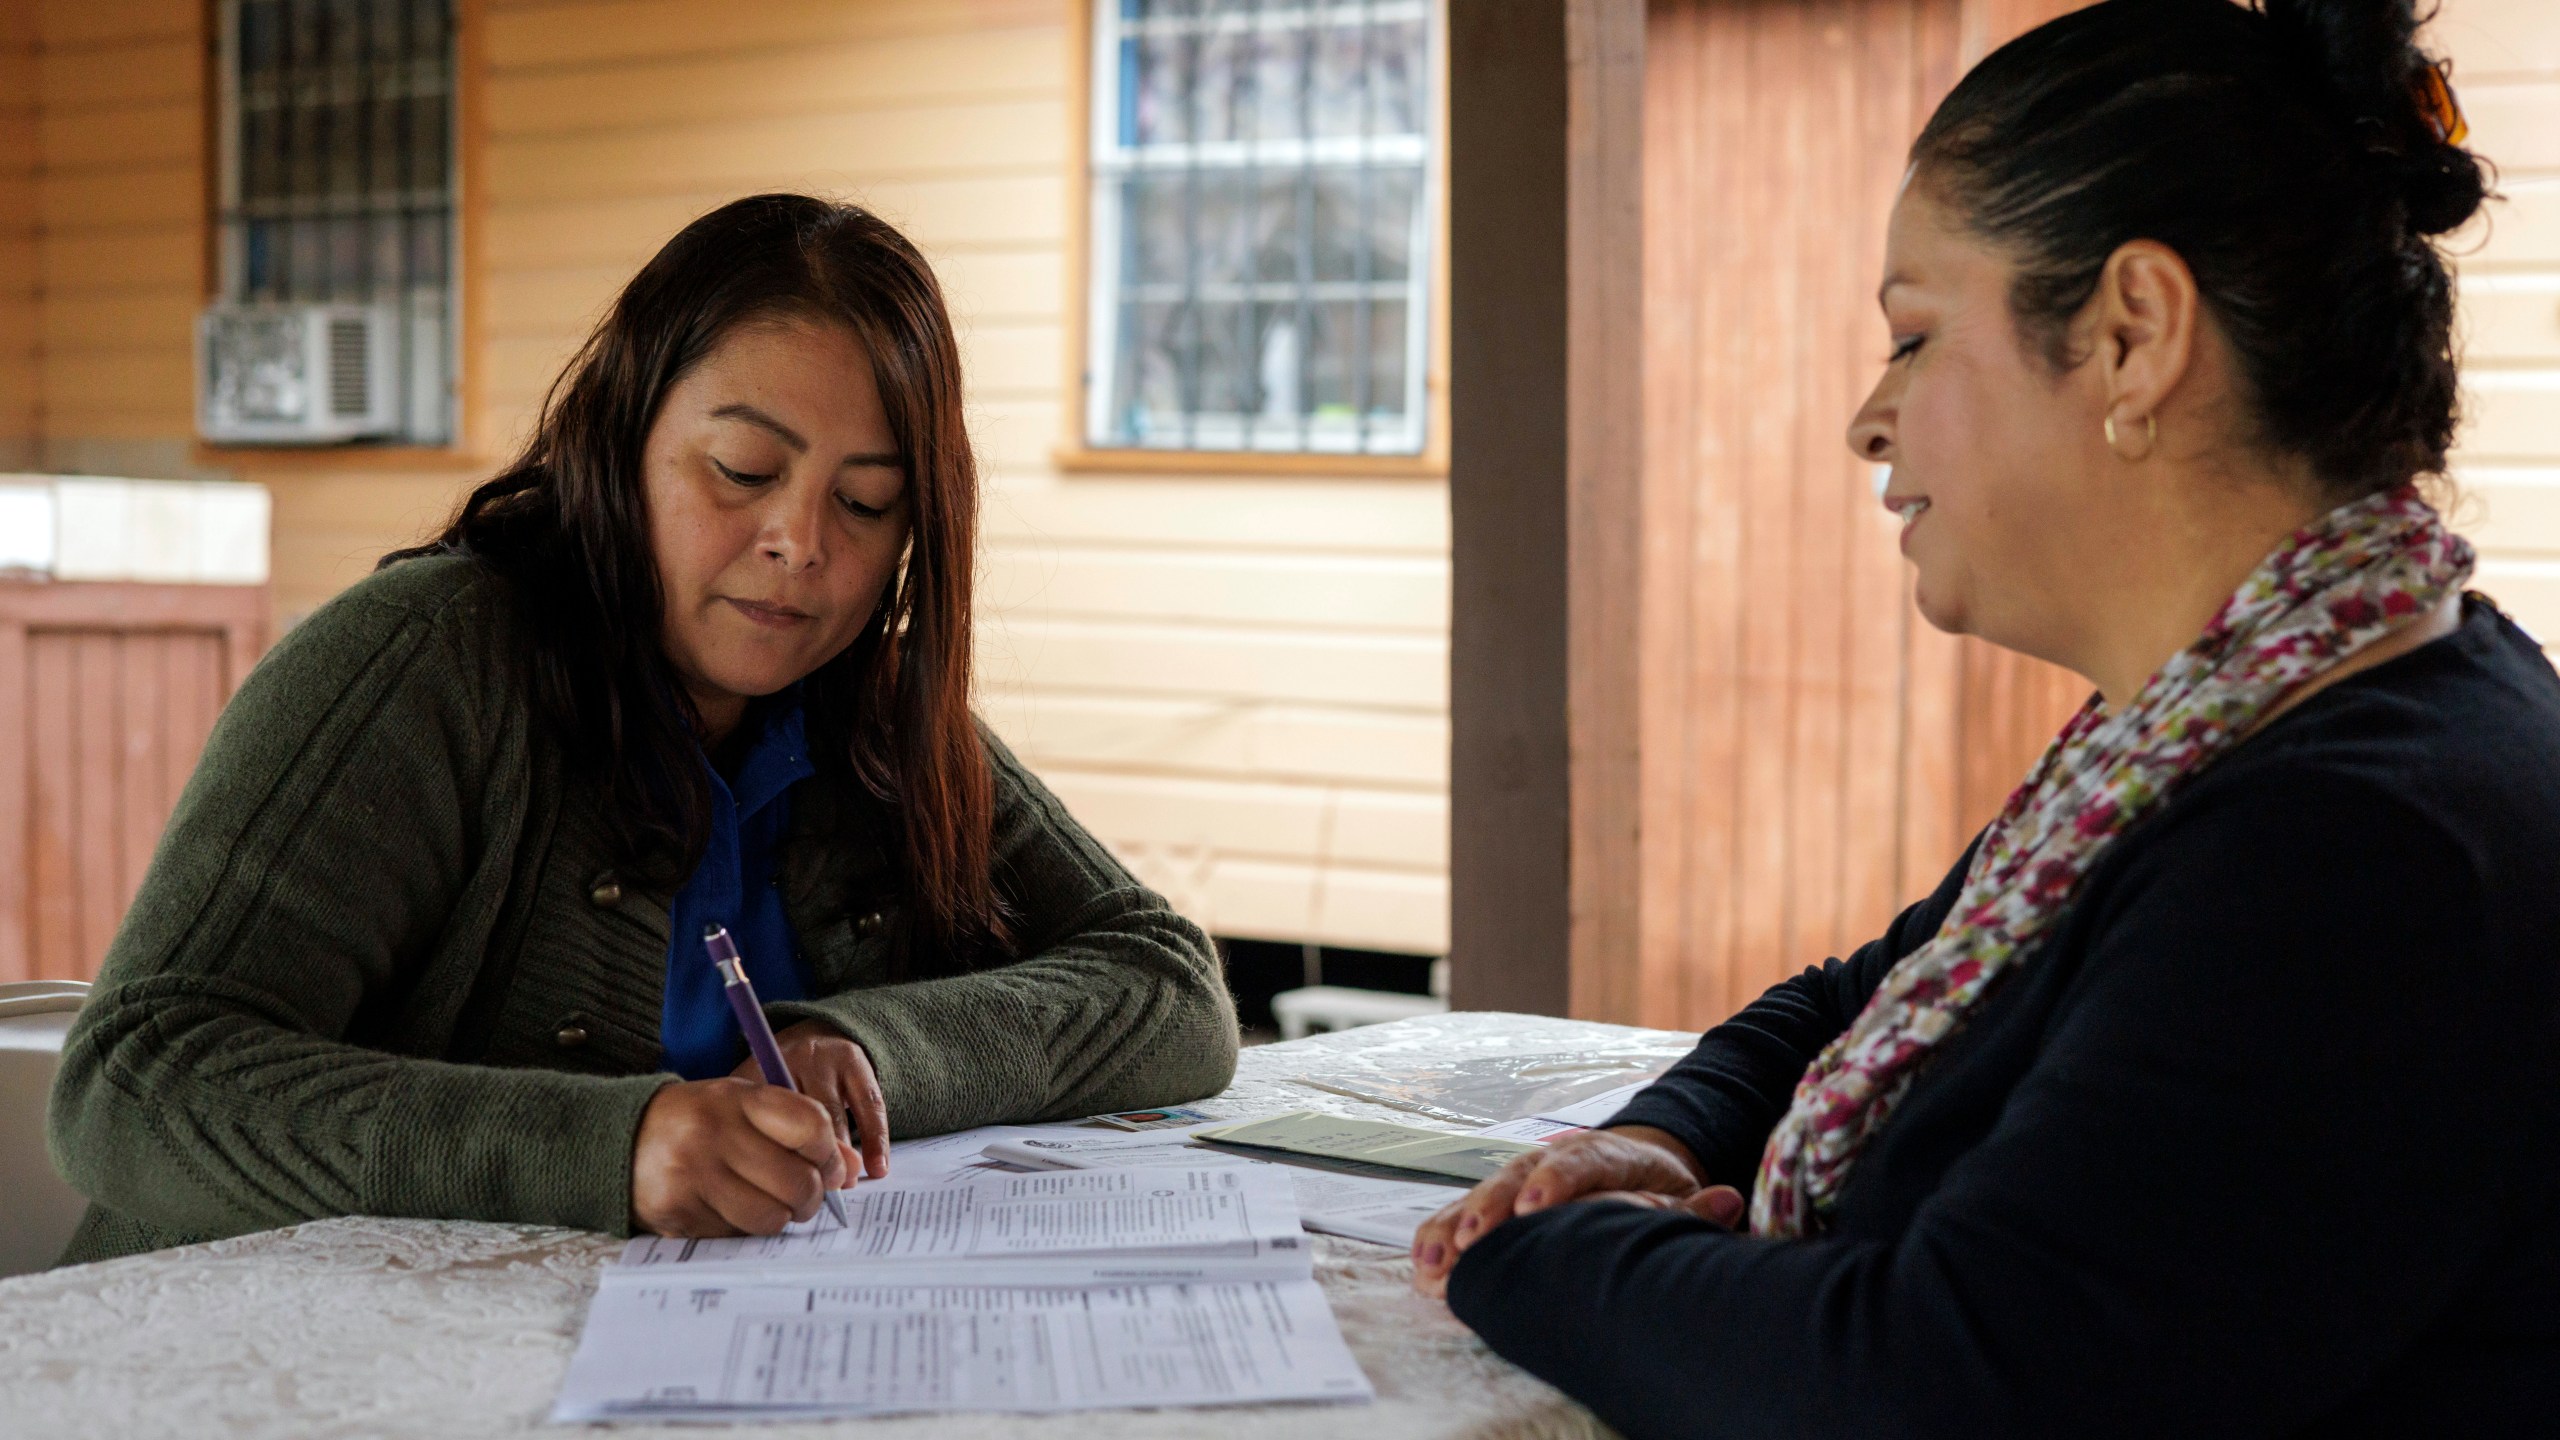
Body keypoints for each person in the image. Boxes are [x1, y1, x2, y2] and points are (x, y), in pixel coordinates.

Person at [1411, 1, 2558, 1434]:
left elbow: (1937, 1381)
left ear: (2134, 336)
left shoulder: (2356, 846)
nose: (1870, 420)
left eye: (1915, 337)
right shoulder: (2223, 727)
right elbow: (1858, 1002)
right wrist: (1650, 1143)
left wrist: (1533, 1254)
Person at [48, 195, 1237, 1264]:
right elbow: (137, 1082)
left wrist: (869, 1047)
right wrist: (617, 1146)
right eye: (740, 469)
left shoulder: (868, 711)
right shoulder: (426, 662)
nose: (801, 543)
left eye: (866, 503)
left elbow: (1168, 988)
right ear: (617, 445)